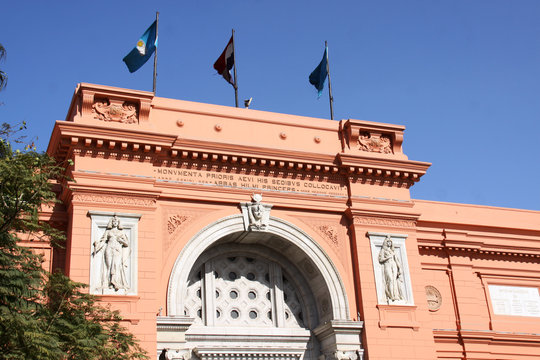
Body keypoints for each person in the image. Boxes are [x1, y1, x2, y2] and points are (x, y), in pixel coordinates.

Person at [93, 215, 130, 291]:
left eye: (116, 221)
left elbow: (126, 243)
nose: (115, 222)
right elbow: (103, 241)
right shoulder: (108, 231)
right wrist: (97, 246)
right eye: (113, 221)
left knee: (116, 265)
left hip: (117, 249)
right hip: (109, 248)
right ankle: (107, 283)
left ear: (118, 223)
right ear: (111, 222)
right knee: (108, 266)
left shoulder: (121, 232)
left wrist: (121, 241)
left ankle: (115, 282)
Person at [378, 236, 403, 302]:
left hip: (393, 265)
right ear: (385, 243)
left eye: (390, 242)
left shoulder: (393, 251)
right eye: (388, 242)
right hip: (387, 264)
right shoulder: (383, 250)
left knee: (394, 280)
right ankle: (391, 295)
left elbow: (396, 260)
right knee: (390, 279)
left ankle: (396, 296)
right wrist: (387, 258)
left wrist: (399, 268)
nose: (389, 243)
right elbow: (380, 259)